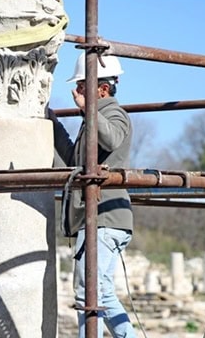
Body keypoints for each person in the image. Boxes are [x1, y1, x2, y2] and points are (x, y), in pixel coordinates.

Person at [47, 52, 136, 338]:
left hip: (104, 218)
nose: (77, 92)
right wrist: (51, 121)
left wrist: (89, 111)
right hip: (101, 219)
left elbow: (112, 138)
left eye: (82, 86)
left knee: (90, 292)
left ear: (103, 89)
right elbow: (73, 159)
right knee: (96, 291)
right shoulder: (95, 119)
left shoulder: (113, 114)